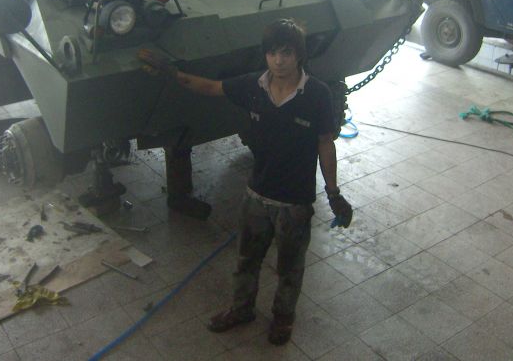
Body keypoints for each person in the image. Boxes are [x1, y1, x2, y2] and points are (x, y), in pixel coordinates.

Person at [138, 18, 353, 346]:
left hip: (294, 204)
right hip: (256, 196)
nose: (278, 60)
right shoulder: (254, 86)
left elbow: (325, 143)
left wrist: (333, 193)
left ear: (299, 55)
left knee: (289, 269)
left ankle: (283, 319)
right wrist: (172, 73)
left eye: (286, 53)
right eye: (272, 53)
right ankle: (242, 309)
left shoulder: (317, 94)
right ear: (265, 55)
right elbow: (210, 87)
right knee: (246, 261)